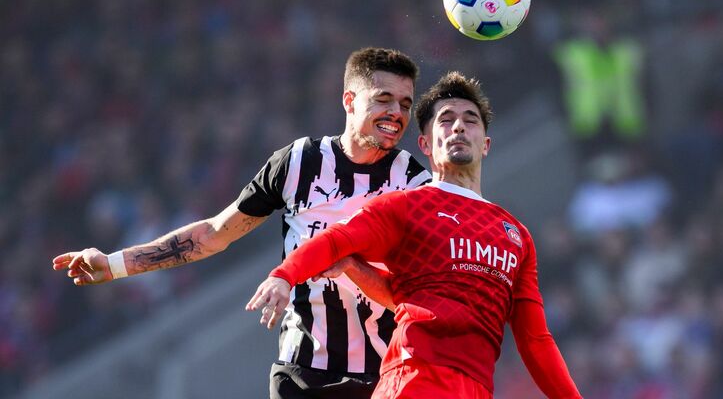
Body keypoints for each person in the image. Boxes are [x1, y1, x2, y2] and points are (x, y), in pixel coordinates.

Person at [52, 47, 432, 399]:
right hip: (303, 372)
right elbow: (214, 234)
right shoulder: (299, 161)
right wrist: (115, 264)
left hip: (386, 374)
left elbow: (426, 288)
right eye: (383, 99)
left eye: (404, 103)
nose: (397, 113)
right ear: (349, 101)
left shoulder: (415, 183)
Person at [247, 72, 582, 398]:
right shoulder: (407, 207)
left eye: (470, 119)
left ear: (486, 144)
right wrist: (283, 276)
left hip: (476, 388)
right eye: (446, 120)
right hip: (414, 378)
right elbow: (337, 239)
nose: (459, 127)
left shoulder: (516, 235)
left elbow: (536, 340)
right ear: (425, 143)